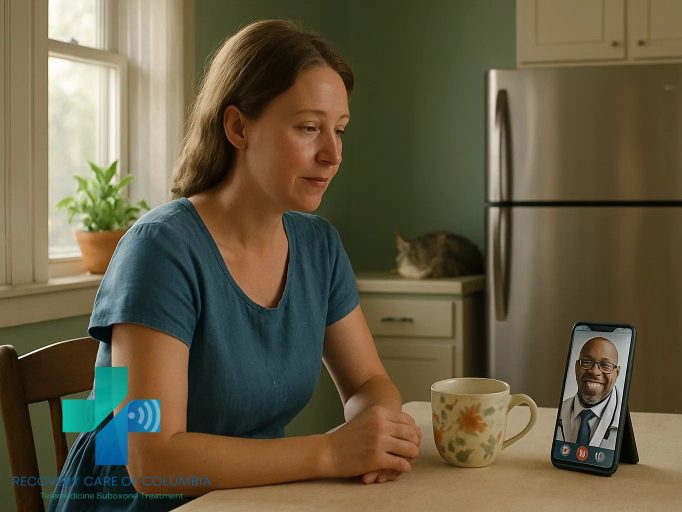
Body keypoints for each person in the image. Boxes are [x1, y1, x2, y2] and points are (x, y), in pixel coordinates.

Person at [50, 19, 421, 512]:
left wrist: (378, 429)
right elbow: (152, 461)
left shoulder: (319, 246)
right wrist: (331, 451)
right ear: (238, 127)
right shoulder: (159, 250)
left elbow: (368, 383)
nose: (332, 154)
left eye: (340, 131)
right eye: (309, 128)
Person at [556, 337, 621, 450]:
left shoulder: (621, 416)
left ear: (617, 373)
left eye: (605, 365)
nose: (594, 371)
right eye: (587, 362)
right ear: (576, 367)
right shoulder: (561, 410)